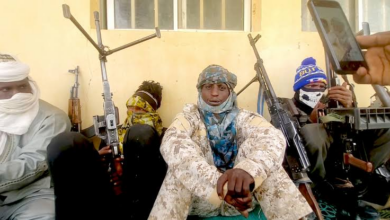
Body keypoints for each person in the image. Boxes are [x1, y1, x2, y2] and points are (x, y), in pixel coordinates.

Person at [148, 64, 312, 220]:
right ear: (199, 90)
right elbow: (172, 142)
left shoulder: (244, 117)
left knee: (261, 155)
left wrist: (248, 171)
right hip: (202, 198)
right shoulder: (189, 117)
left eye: (221, 88)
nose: (214, 93)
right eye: (208, 87)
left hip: (242, 198)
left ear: (230, 91)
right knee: (179, 163)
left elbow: (272, 137)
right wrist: (219, 185)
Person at [285, 57, 390, 218]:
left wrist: (349, 107)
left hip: (347, 162)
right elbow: (282, 137)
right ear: (299, 88)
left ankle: (358, 183)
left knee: (386, 126)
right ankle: (324, 191)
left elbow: (353, 131)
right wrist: (311, 120)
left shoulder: (331, 102)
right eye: (312, 86)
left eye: (322, 87)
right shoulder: (286, 107)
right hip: (315, 174)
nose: (318, 90)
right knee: (312, 132)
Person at [47, 80, 167, 220]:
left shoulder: (164, 136)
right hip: (108, 200)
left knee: (141, 134)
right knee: (65, 143)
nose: (133, 113)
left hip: (145, 203)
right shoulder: (112, 136)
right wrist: (99, 165)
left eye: (140, 109)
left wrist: (128, 173)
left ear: (152, 111)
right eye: (130, 108)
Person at [0, 53, 70, 220]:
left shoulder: (52, 118)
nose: (17, 95)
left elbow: (32, 165)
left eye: (22, 86)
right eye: (5, 89)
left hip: (29, 196)